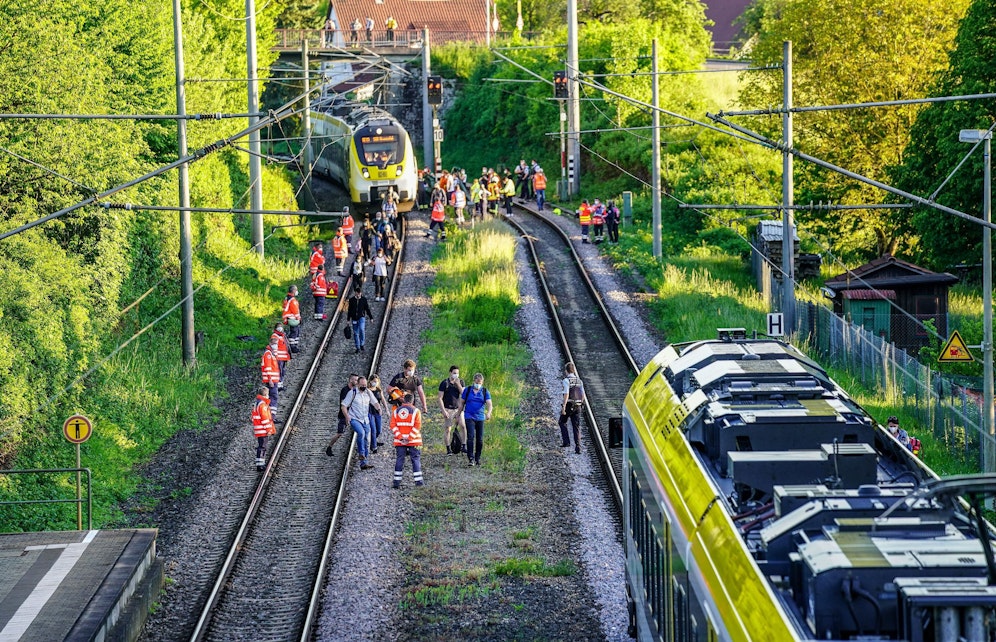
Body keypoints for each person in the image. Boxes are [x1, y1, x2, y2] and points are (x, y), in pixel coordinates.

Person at [457, 373, 492, 467]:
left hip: (480, 417)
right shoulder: (468, 390)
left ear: (482, 382)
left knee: (480, 439)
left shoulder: (485, 391)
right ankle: (471, 458)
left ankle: (477, 458)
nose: (478, 384)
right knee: (470, 437)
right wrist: (458, 414)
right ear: (474, 381)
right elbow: (462, 403)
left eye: (480, 383)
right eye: (477, 382)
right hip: (469, 416)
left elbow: (489, 404)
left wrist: (488, 413)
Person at [342, 376, 376, 470]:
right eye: (362, 385)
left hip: (365, 419)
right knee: (361, 433)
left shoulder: (368, 392)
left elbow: (375, 402)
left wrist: (379, 408)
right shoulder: (352, 393)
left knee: (367, 440)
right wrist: (347, 416)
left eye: (365, 385)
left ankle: (364, 463)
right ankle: (361, 453)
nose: (364, 386)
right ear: (357, 384)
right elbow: (343, 406)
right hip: (354, 418)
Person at [391, 393, 424, 488]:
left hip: (399, 442)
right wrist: (409, 438)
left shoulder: (396, 411)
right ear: (412, 401)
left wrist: (401, 437)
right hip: (415, 441)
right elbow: (417, 426)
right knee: (415, 459)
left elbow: (393, 426)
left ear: (404, 400)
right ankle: (419, 482)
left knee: (400, 459)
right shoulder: (416, 411)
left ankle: (396, 482)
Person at [438, 365, 466, 454]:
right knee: (448, 429)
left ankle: (463, 445)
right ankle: (448, 448)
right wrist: (443, 411)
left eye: (457, 373)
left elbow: (464, 394)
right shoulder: (444, 383)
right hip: (448, 408)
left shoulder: (461, 382)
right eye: (454, 373)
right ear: (450, 373)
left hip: (458, 409)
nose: (456, 375)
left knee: (463, 426)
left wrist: (458, 384)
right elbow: (440, 398)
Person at [559, 362, 585, 454]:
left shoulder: (566, 380)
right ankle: (578, 448)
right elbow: (583, 394)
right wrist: (580, 403)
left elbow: (566, 394)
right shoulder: (579, 381)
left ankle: (566, 442)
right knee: (576, 426)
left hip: (569, 405)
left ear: (566, 371)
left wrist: (564, 406)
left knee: (562, 422)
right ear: (573, 370)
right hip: (577, 406)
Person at [251, 386, 276, 471]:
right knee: (262, 447)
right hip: (262, 429)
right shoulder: (262, 405)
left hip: (258, 429)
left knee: (261, 446)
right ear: (265, 395)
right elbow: (265, 419)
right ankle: (260, 465)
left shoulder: (257, 403)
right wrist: (268, 430)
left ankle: (260, 463)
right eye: (268, 395)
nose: (268, 396)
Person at [346, 285, 373, 353]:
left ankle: (362, 344)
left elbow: (367, 309)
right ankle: (357, 347)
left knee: (361, 329)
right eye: (357, 293)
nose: (358, 294)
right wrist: (348, 319)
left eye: (359, 293)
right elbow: (349, 310)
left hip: (361, 317)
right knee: (356, 333)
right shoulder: (351, 300)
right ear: (355, 293)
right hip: (354, 318)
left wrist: (371, 317)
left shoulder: (364, 300)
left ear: (361, 293)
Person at [261, 336, 281, 419]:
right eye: (274, 342)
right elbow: (268, 367)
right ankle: (272, 416)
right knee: (273, 397)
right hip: (271, 380)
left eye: (276, 342)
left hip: (273, 379)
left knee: (272, 396)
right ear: (270, 342)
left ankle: (271, 416)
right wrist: (270, 379)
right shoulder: (268, 354)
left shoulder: (271, 353)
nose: (276, 344)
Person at [368, 374, 389, 454]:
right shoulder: (367, 391)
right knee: (373, 429)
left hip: (377, 412)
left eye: (376, 382)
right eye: (374, 381)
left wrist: (386, 409)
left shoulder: (379, 390)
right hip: (369, 412)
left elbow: (383, 400)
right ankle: (374, 447)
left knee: (378, 430)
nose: (375, 383)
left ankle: (372, 441)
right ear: (370, 381)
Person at [270, 323, 291, 390]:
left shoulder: (282, 335)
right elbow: (273, 347)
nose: (280, 328)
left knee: (282, 372)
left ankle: (280, 385)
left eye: (281, 326)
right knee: (279, 371)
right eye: (278, 327)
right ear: (275, 328)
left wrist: (288, 358)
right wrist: (275, 358)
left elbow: (286, 347)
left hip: (283, 358)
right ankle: (278, 386)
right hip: (278, 358)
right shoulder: (275, 336)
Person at [282, 285, 302, 353]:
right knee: (295, 332)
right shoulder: (292, 300)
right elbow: (295, 311)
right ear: (293, 291)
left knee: (295, 331)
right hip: (293, 319)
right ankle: (292, 347)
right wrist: (299, 318)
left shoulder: (287, 298)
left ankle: (294, 346)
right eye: (296, 290)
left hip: (289, 318)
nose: (297, 291)